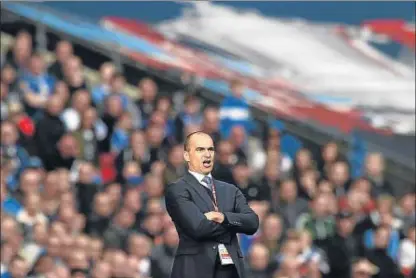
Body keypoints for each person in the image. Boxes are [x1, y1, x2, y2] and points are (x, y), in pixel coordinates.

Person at [165, 131, 259, 278]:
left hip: (230, 270)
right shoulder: (178, 189)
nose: (207, 154)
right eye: (200, 149)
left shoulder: (230, 189)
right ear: (186, 155)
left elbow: (253, 223)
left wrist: (222, 217)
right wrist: (234, 224)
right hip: (195, 270)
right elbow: (199, 227)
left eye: (210, 149)